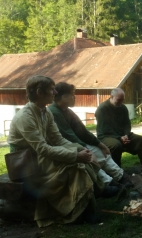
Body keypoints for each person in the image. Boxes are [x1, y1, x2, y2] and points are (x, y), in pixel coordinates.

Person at [7, 75, 101, 227]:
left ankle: (89, 199)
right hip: (25, 163)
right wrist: (75, 156)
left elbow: (58, 140)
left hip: (39, 155)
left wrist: (80, 149)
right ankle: (76, 212)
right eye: (52, 89)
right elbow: (42, 149)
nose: (55, 93)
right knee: (74, 166)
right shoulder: (25, 117)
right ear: (39, 92)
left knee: (79, 156)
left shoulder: (45, 112)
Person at [48, 82, 133, 189]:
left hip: (75, 145)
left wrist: (100, 144)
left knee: (102, 153)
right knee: (91, 157)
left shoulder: (68, 111)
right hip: (64, 148)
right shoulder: (54, 112)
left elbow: (83, 132)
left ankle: (121, 177)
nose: (75, 97)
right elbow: (68, 136)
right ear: (64, 97)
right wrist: (86, 149)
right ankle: (108, 184)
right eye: (72, 94)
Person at [95, 88, 142, 168]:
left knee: (139, 139)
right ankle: (117, 169)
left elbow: (127, 124)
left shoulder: (123, 108)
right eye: (119, 100)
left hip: (122, 135)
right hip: (106, 136)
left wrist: (126, 135)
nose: (121, 102)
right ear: (111, 97)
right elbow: (105, 129)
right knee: (116, 145)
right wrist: (119, 138)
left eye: (122, 100)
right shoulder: (102, 109)